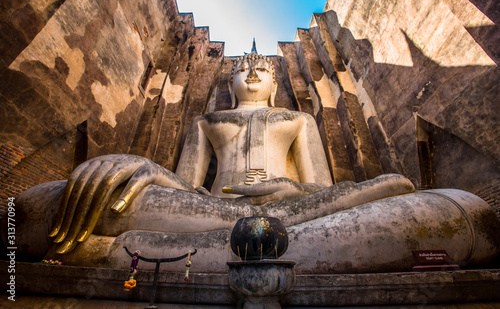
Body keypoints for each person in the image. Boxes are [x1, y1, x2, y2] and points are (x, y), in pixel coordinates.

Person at [4, 47, 499, 273]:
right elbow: (183, 185)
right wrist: (143, 167)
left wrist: (292, 194)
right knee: (39, 207)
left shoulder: (296, 119)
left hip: (301, 210)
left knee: (457, 207)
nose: (256, 72)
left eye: (264, 68)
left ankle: (135, 253)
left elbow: (320, 186)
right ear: (231, 82)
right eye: (246, 68)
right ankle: (267, 252)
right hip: (202, 213)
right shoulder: (208, 121)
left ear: (278, 80)